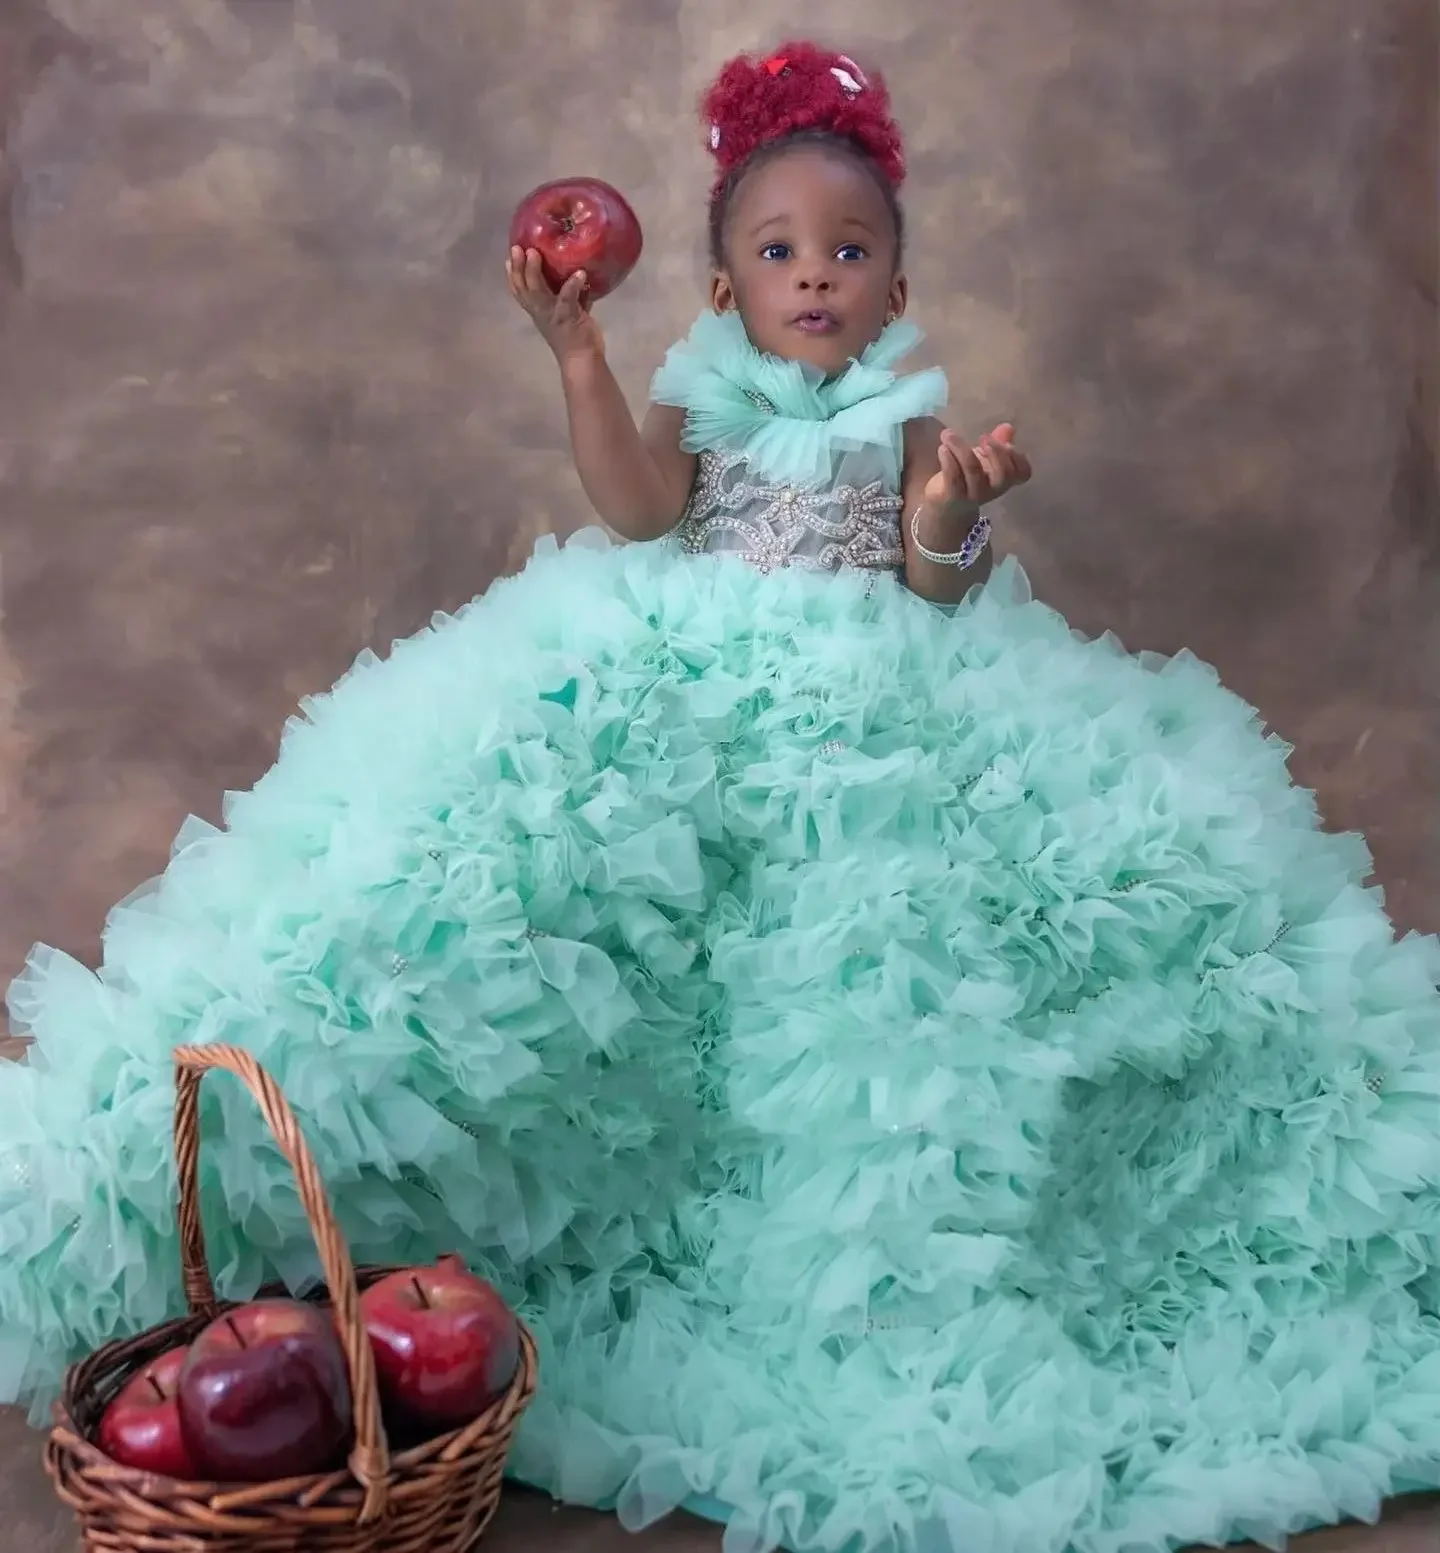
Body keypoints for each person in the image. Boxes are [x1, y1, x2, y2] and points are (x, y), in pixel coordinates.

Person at [2, 37, 1439, 1553]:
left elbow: (933, 587)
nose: (814, 276)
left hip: (879, 711)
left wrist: (952, 512)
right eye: (777, 252)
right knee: (515, 855)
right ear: (721, 289)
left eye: (850, 251)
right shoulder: (702, 394)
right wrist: (579, 359)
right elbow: (635, 510)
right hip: (693, 674)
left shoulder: (899, 412)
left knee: (902, 956)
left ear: (892, 285)